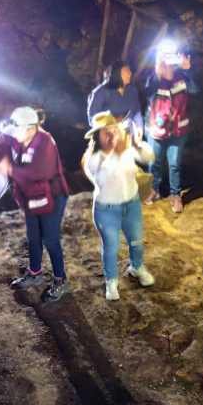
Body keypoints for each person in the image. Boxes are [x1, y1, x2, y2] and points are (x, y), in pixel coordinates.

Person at [0, 106, 71, 303]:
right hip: (30, 197)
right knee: (33, 235)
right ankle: (35, 272)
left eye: (17, 130)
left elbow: (39, 172)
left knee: (50, 239)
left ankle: (60, 280)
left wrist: (9, 169)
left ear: (31, 128)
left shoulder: (46, 143)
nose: (13, 134)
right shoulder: (16, 135)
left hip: (52, 196)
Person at [83, 112, 156, 301]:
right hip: (107, 210)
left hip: (131, 204)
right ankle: (111, 281)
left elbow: (149, 157)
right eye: (105, 131)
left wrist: (138, 145)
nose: (111, 133)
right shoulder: (94, 158)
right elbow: (104, 178)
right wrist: (117, 151)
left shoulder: (126, 148)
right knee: (111, 246)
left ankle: (137, 267)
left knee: (137, 240)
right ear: (97, 136)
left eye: (113, 129)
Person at [143, 49, 198, 213]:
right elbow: (148, 92)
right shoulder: (154, 79)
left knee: (174, 164)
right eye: (165, 59)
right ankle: (153, 190)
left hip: (178, 131)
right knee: (154, 163)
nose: (169, 64)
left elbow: (195, 90)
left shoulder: (183, 77)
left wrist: (188, 70)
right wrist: (157, 72)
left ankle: (175, 195)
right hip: (156, 130)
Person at [87, 60, 144, 130]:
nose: (130, 73)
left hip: (127, 137)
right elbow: (92, 119)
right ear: (117, 73)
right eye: (127, 71)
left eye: (130, 71)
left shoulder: (132, 91)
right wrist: (111, 123)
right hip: (108, 136)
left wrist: (139, 129)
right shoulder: (101, 92)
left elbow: (137, 112)